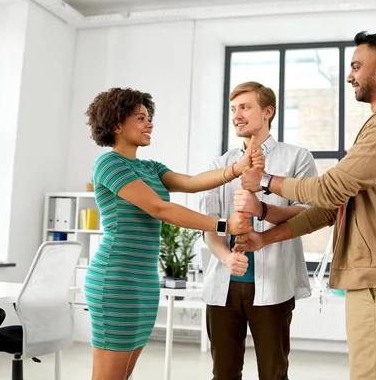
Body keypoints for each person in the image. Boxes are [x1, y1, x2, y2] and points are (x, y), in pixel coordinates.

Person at [235, 32, 376, 380]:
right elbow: (332, 209)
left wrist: (266, 182)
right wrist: (265, 233)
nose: (349, 76)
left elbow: (330, 189)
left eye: (357, 67)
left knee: (373, 375)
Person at [82, 87, 263, 380]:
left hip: (143, 282)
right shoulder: (108, 163)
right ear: (117, 123)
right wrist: (223, 226)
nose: (149, 123)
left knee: (123, 375)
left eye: (148, 117)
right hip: (116, 281)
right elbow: (159, 209)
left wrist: (237, 168)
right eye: (140, 118)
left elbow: (192, 182)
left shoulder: (150, 167)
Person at [199, 81, 318, 380]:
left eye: (245, 107)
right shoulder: (222, 164)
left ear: (268, 111)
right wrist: (226, 257)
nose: (237, 115)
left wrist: (261, 209)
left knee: (273, 374)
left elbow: (309, 213)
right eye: (233, 109)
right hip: (224, 287)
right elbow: (207, 226)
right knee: (223, 374)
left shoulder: (297, 158)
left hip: (274, 284)